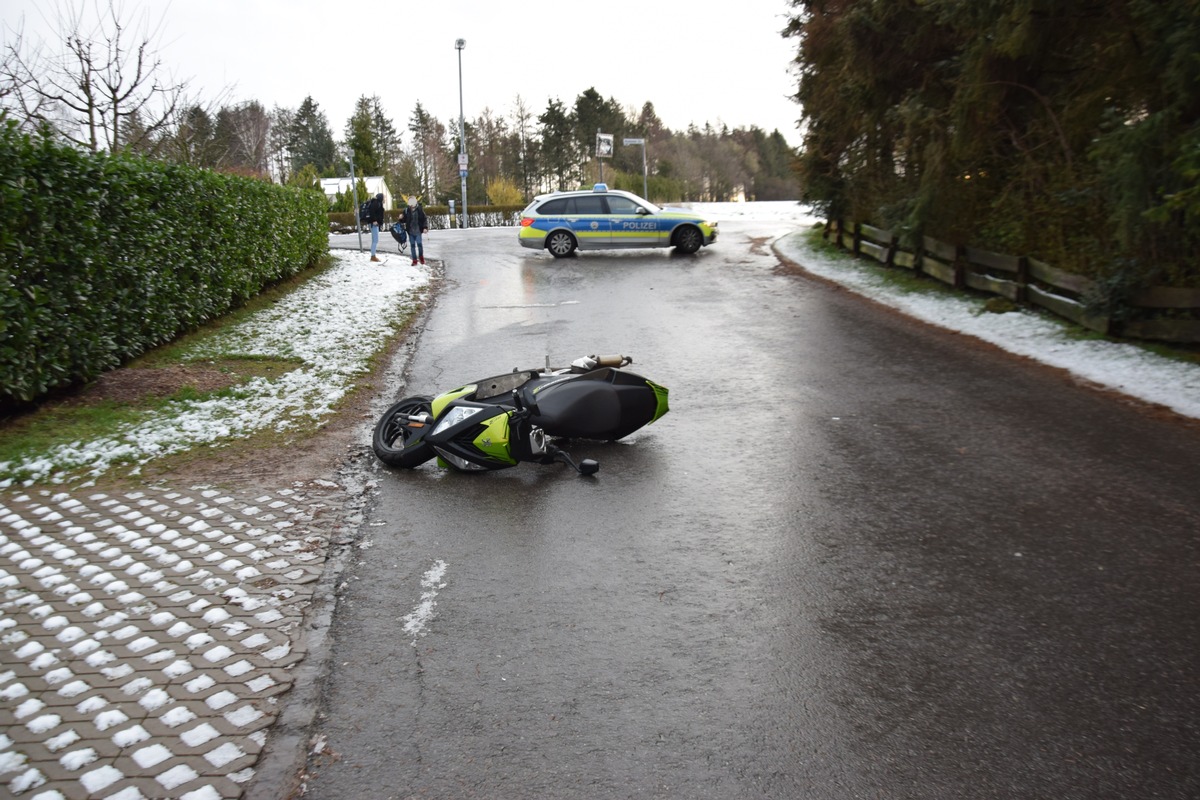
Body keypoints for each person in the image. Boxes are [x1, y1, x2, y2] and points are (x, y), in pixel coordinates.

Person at [400, 196, 429, 266]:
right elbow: (403, 220)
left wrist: (425, 227)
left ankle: (421, 257)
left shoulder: (419, 209)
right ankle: (414, 260)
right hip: (410, 231)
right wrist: (401, 218)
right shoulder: (406, 210)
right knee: (412, 246)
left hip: (418, 230)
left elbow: (424, 219)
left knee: (419, 244)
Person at [366, 193, 385, 262]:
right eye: (384, 197)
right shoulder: (376, 203)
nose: (384, 199)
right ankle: (373, 256)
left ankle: (373, 255)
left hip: (374, 224)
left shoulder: (378, 203)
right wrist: (374, 220)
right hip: (373, 224)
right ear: (381, 198)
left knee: (375, 240)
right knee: (375, 240)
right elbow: (372, 212)